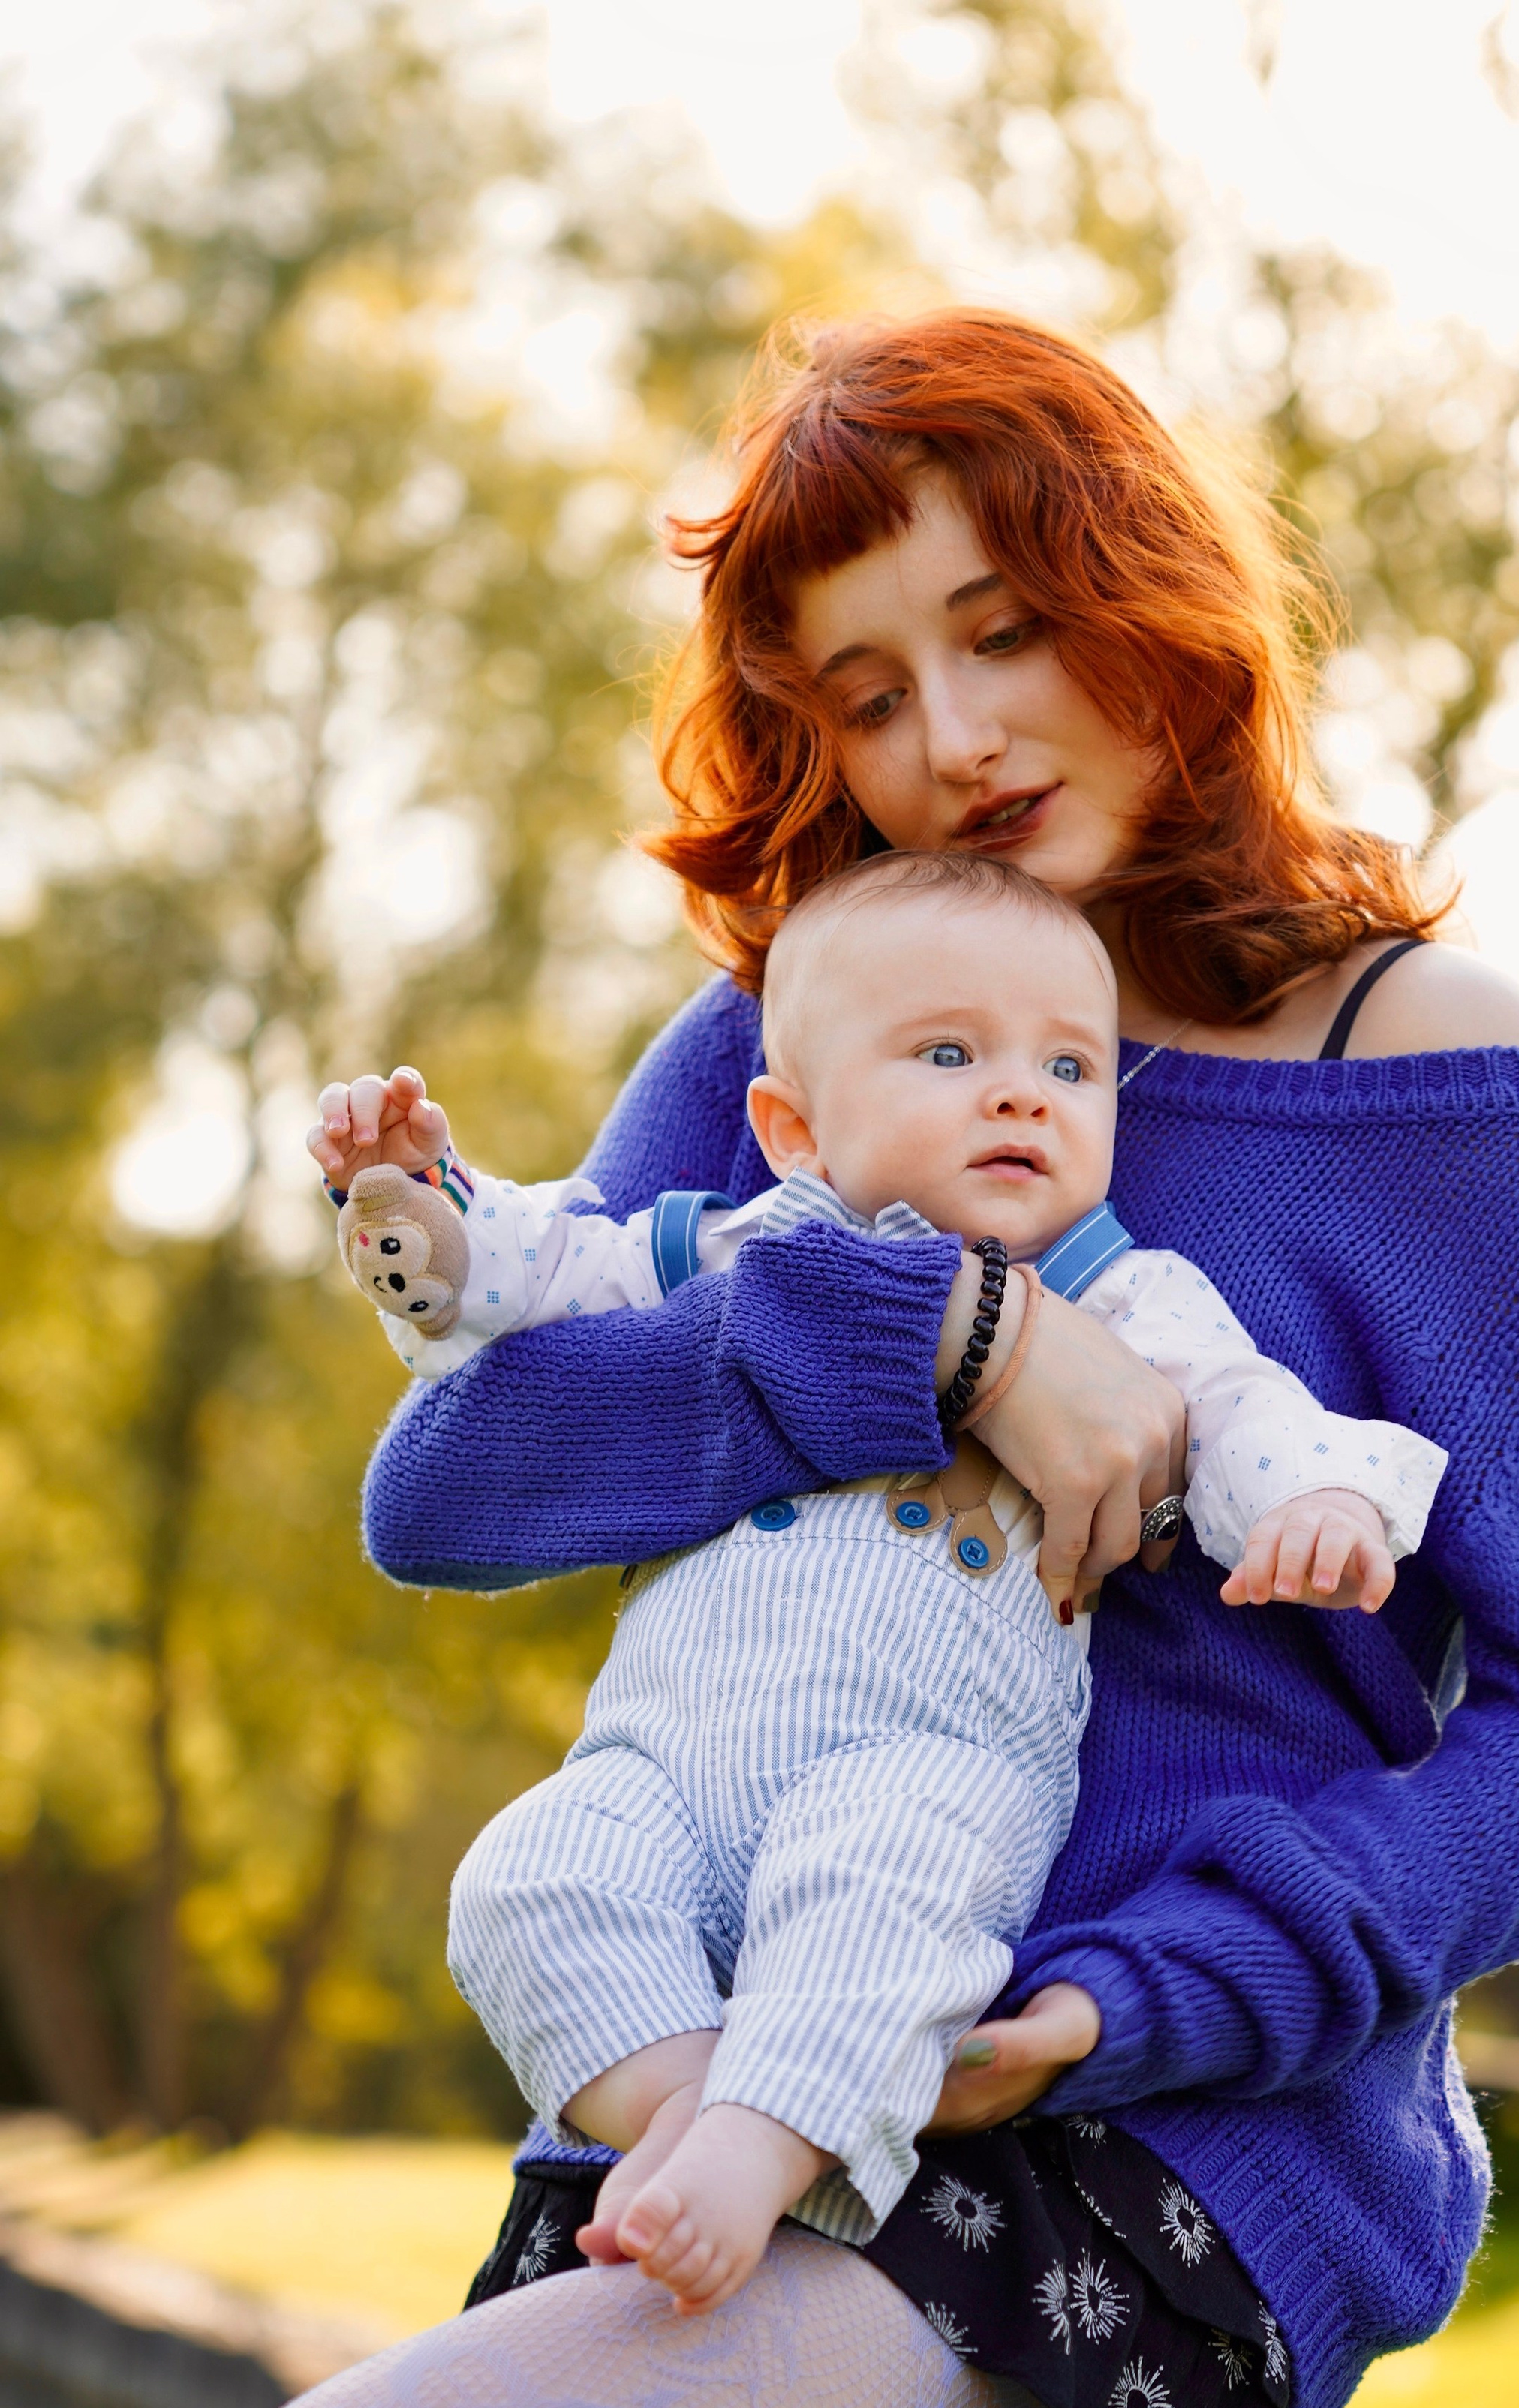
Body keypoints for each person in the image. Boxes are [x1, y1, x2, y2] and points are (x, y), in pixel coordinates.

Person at [209, 309, 1519, 2408]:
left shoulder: (1429, 1079)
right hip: (751, 2043)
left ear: (1149, 592)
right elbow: (450, 1490)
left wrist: (1147, 1997)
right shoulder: (816, 1029)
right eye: (865, 691)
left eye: (1006, 627)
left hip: (1147, 2133)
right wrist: (954, 1335)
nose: (956, 735)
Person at [311, 849, 1445, 2316]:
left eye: (1068, 1065)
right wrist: (426, 1212)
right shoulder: (736, 1249)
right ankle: (686, 2109)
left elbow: (1235, 1412)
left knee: (886, 1905)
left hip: (919, 1762)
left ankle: (755, 2154)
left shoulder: (1126, 1297)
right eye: (950, 1054)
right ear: (791, 1125)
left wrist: (1319, 1498)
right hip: (657, 1759)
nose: (1021, 1092)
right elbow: (542, 1279)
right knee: (522, 1882)